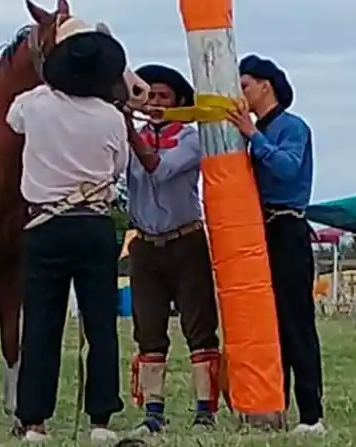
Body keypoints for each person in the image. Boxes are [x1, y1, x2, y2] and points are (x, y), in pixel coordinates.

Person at [5, 28, 132, 442]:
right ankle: (100, 420)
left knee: (41, 324)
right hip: (94, 223)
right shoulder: (112, 117)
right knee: (101, 325)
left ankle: (35, 421)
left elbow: (12, 121)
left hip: (45, 224)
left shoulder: (34, 104)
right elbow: (117, 169)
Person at [225, 54, 326, 435]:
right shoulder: (252, 132)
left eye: (245, 85)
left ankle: (311, 414)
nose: (241, 93)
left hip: (287, 228)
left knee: (296, 321)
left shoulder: (292, 128)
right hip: (258, 231)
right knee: (265, 322)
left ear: (266, 86)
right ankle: (271, 405)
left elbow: (286, 168)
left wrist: (254, 136)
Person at [124, 63, 224, 435]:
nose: (153, 103)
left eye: (162, 96)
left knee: (199, 327)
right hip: (145, 245)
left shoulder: (192, 139)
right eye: (148, 95)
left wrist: (126, 132)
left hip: (186, 240)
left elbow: (159, 170)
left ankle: (205, 411)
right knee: (148, 330)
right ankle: (153, 411)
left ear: (179, 101)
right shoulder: (129, 137)